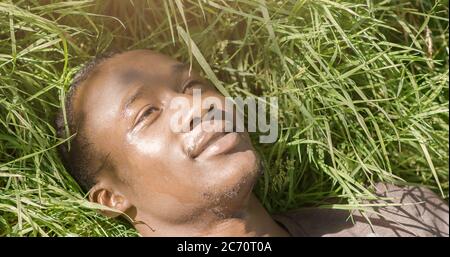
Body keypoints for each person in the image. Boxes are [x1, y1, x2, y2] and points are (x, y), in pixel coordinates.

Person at [55, 50, 449, 237]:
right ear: (110, 199)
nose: (195, 105)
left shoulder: (397, 214)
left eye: (192, 85)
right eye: (146, 114)